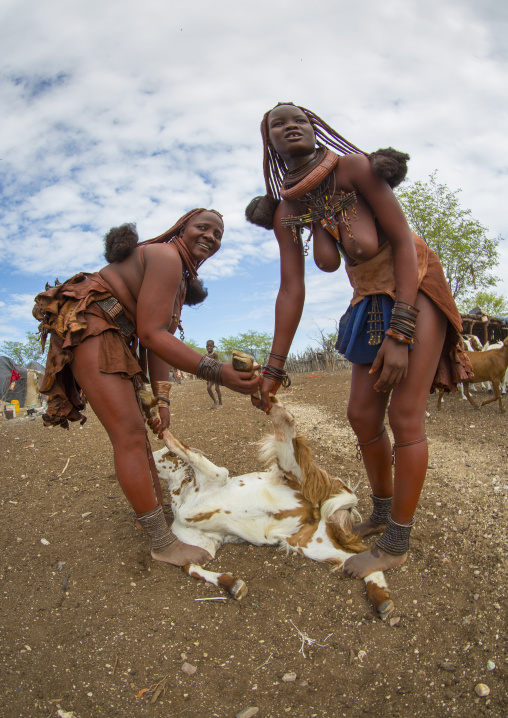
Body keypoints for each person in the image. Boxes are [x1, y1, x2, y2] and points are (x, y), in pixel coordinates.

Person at [246, 103, 472, 578]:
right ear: (268, 141)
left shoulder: (354, 169)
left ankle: (396, 542)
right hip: (369, 296)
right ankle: (384, 511)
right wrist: (272, 367)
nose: (290, 125)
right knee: (361, 413)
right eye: (277, 123)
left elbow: (405, 243)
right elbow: (291, 288)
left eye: (300, 119)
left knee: (404, 413)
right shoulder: (290, 207)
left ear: (316, 129)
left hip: (416, 287)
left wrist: (401, 330)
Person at [33, 208, 259, 567]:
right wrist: (220, 373)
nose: (211, 237)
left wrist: (162, 401)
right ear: (181, 229)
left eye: (218, 235)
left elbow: (157, 341)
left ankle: (157, 518)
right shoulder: (167, 256)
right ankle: (161, 541)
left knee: (137, 432)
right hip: (93, 323)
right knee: (130, 435)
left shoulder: (178, 277)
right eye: (203, 227)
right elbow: (153, 335)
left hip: (112, 333)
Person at [205, 340, 223, 408]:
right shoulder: (205, 355)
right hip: (209, 375)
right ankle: (215, 400)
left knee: (217, 388)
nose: (209, 347)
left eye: (210, 346)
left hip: (215, 373)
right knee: (208, 388)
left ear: (213, 347)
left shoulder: (215, 354)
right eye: (207, 346)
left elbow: (216, 363)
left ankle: (220, 403)